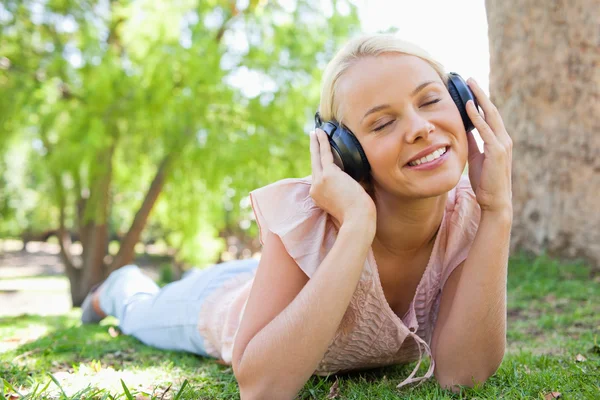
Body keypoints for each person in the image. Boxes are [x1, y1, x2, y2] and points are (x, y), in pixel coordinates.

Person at [81, 33, 513, 399]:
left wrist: (498, 211)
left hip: (261, 274)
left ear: (463, 104)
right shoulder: (313, 214)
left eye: (432, 100)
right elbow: (261, 388)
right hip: (221, 303)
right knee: (140, 311)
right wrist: (357, 228)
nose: (419, 127)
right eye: (382, 124)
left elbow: (462, 376)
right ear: (346, 153)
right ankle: (120, 286)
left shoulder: (471, 211)